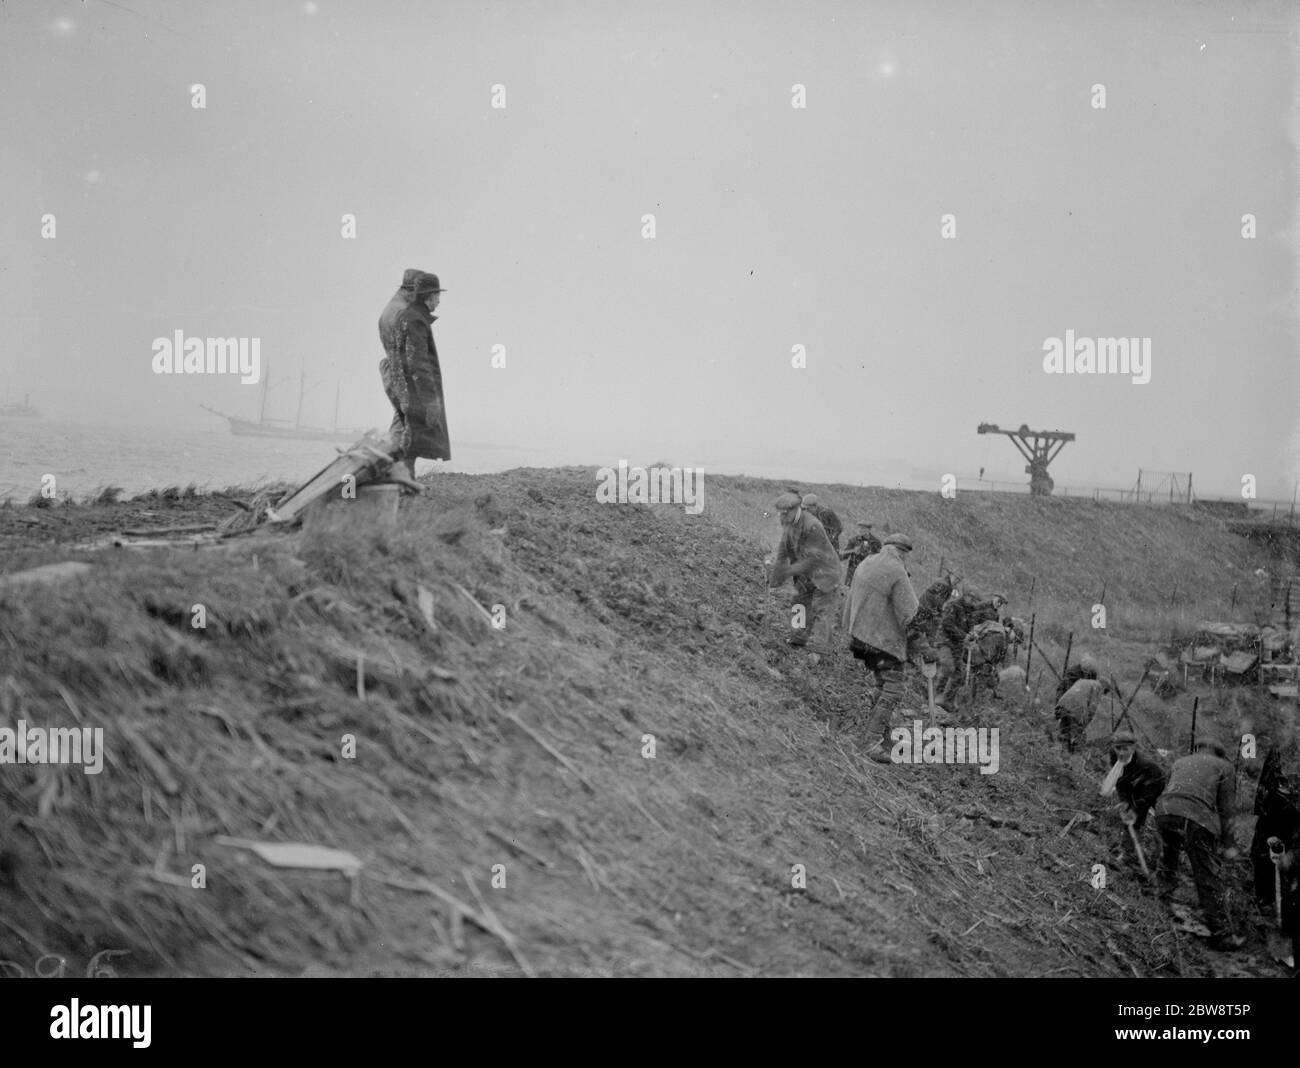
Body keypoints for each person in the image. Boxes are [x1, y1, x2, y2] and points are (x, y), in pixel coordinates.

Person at [843, 533, 930, 763]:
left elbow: (851, 596)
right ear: (902, 553)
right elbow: (911, 617)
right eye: (905, 555)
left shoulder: (867, 561)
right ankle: (870, 741)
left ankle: (881, 734)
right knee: (894, 687)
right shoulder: (897, 571)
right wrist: (924, 648)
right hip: (881, 640)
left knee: (882, 683)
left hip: (859, 636)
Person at [1154, 736, 1244, 950]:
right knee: (1206, 873)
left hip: (1164, 812)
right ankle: (1222, 934)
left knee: (1169, 855)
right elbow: (1227, 810)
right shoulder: (1225, 767)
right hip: (1195, 818)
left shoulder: (1180, 761)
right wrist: (1229, 843)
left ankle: (1160, 902)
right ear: (1220, 753)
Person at [378, 269, 451, 479]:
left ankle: (396, 477)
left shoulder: (396, 311)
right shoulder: (409, 317)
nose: (439, 301)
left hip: (399, 379)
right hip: (408, 384)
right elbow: (417, 363)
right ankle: (399, 481)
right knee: (407, 435)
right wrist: (430, 400)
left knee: (404, 431)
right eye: (436, 295)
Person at [768, 492, 842, 654]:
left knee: (821, 609)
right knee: (799, 601)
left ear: (796, 509)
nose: (782, 516)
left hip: (826, 572)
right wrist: (775, 577)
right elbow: (783, 549)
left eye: (785, 513)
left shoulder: (813, 525)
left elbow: (813, 559)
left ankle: (820, 649)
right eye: (780, 513)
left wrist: (788, 571)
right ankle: (798, 637)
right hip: (805, 572)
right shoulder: (788, 522)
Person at [1103, 729, 1167, 868]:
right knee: (1131, 821)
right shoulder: (1115, 756)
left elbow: (1148, 795)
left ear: (1133, 748)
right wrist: (1125, 800)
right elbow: (1120, 780)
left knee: (1161, 822)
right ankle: (1128, 853)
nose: (1120, 753)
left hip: (1156, 786)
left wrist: (1135, 810)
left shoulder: (1147, 766)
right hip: (1135, 783)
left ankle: (1161, 859)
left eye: (1125, 749)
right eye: (1117, 748)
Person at [936, 589, 1000, 710]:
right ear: (966, 596)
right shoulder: (953, 606)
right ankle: (936, 696)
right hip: (945, 641)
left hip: (958, 645)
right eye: (972, 599)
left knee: (959, 673)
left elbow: (970, 624)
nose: (973, 602)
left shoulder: (970, 610)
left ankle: (947, 700)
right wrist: (963, 635)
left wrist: (972, 633)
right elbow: (947, 625)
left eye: (975, 601)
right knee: (948, 667)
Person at [1054, 677, 1109, 752]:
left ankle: (1063, 752)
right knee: (1079, 735)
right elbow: (1093, 707)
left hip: (1062, 704)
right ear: (1104, 688)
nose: (1103, 695)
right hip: (1075, 708)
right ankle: (1076, 755)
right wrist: (1085, 723)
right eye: (1104, 693)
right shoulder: (1099, 687)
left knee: (1065, 730)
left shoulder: (1083, 680)